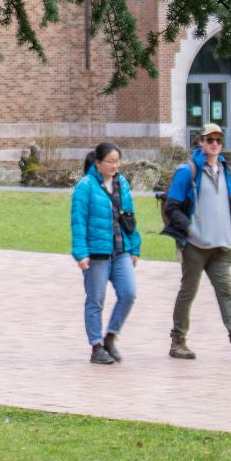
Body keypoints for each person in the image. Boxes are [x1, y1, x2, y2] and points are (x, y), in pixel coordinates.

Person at [161, 122, 231, 361]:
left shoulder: (225, 169)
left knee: (226, 292)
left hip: (220, 244)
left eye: (218, 140)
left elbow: (227, 205)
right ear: (200, 143)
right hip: (195, 246)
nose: (215, 144)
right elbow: (172, 206)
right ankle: (178, 340)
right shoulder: (188, 171)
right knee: (188, 291)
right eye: (210, 140)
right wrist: (190, 231)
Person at [70, 141, 141, 365]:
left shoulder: (122, 184)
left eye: (117, 161)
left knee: (129, 293)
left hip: (121, 250)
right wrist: (81, 253)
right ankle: (96, 346)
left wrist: (135, 247)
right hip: (97, 253)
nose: (114, 165)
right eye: (110, 161)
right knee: (95, 301)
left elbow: (130, 217)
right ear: (98, 162)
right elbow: (78, 222)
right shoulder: (86, 186)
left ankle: (110, 336)